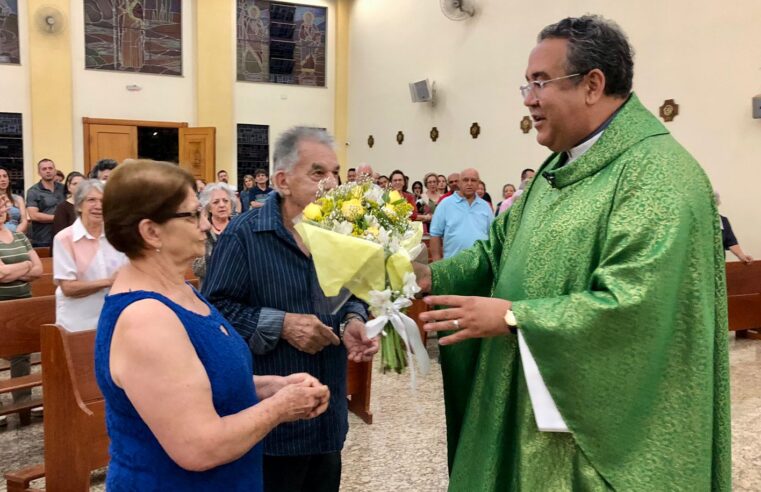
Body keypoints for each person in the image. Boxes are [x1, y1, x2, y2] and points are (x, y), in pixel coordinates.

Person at [415, 15, 730, 490]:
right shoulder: (556, 168)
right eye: (526, 85)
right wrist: (429, 278)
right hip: (526, 406)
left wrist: (516, 318)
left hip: (598, 443)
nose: (529, 100)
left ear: (592, 84)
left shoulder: (658, 175)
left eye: (540, 83)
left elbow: (639, 307)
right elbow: (499, 249)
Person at [95, 159, 330, 490]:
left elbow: (198, 382)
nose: (205, 224)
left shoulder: (178, 289)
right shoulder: (145, 319)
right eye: (192, 215)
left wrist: (269, 387)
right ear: (151, 231)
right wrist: (279, 408)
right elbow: (199, 447)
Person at [202, 127, 378, 492]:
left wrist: (353, 320)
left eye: (335, 172)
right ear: (282, 180)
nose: (332, 183)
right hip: (272, 421)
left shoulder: (342, 232)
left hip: (327, 409)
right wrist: (281, 324)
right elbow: (216, 312)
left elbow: (354, 294)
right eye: (318, 173)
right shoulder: (244, 235)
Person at [53, 179, 129, 331]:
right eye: (91, 200)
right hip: (78, 322)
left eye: (103, 201)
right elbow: (68, 288)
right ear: (80, 205)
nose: (98, 206)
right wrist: (108, 282)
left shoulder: (116, 236)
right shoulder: (65, 239)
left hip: (113, 318)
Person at [0, 195, 43, 426]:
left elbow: (37, 270)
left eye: (1, 203)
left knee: (21, 355)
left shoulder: (19, 236)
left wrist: (17, 269)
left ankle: (24, 399)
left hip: (23, 302)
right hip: (0, 305)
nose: (0, 208)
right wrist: (25, 265)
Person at [428, 168, 493, 262]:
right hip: (453, 265)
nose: (469, 183)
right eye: (466, 180)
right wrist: (437, 263)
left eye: (473, 180)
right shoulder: (445, 204)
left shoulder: (485, 206)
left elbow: (491, 235)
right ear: (459, 183)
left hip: (481, 265)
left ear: (478, 183)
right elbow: (435, 234)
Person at [192, 183, 236, 284]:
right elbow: (197, 268)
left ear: (231, 204)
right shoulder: (201, 230)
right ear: (209, 208)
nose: (222, 205)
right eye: (216, 202)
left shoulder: (240, 228)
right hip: (210, 289)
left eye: (225, 201)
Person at [26, 158, 66, 247]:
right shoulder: (33, 191)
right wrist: (58, 218)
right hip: (43, 239)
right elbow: (34, 215)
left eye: (50, 168)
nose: (48, 171)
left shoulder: (63, 189)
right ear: (39, 172)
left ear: (55, 171)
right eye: (44, 169)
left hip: (63, 237)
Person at [715, 192, 753, 264]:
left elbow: (731, 242)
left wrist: (742, 256)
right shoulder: (694, 221)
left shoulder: (723, 221)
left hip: (717, 264)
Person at [52, 171, 85, 241]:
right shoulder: (62, 208)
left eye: (82, 184)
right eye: (75, 184)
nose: (78, 187)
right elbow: (59, 235)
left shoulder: (89, 206)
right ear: (69, 187)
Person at [0, 166, 28, 234]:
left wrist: (16, 234)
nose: (3, 179)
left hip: (16, 234)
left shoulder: (18, 199)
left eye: (5, 176)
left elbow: (24, 220)